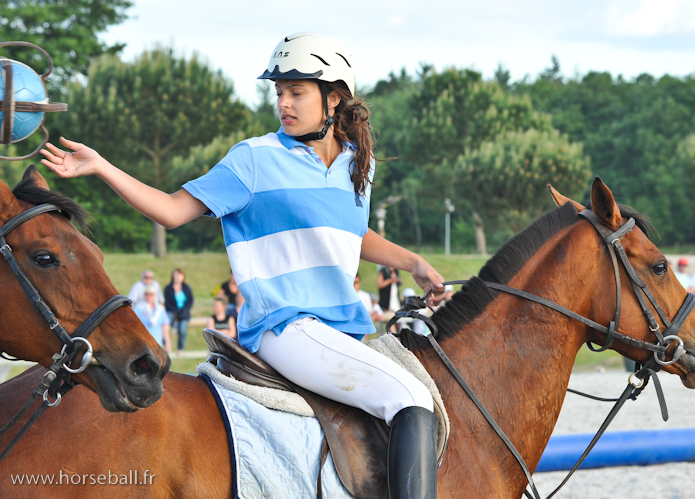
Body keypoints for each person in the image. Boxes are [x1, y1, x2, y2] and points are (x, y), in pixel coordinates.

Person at [41, 32, 445, 498]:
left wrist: (413, 261)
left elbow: (348, 231)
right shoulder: (253, 159)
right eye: (279, 92)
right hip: (286, 328)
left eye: (296, 92)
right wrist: (102, 167)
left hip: (342, 328)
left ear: (333, 98)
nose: (283, 103)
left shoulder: (358, 165)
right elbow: (171, 210)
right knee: (411, 398)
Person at [164, 268, 194, 354]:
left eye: (180, 275)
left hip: (184, 312)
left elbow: (190, 301)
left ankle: (180, 348)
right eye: (176, 275)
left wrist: (185, 310)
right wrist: (175, 312)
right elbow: (167, 302)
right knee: (165, 325)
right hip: (171, 311)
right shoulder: (168, 288)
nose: (177, 277)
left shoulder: (186, 288)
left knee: (182, 330)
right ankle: (164, 344)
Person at [134, 284, 171, 354]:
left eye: (151, 294)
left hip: (157, 345)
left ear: (155, 295)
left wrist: (168, 346)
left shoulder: (160, 310)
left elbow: (165, 329)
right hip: (143, 346)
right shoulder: (138, 309)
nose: (149, 296)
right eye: (146, 294)